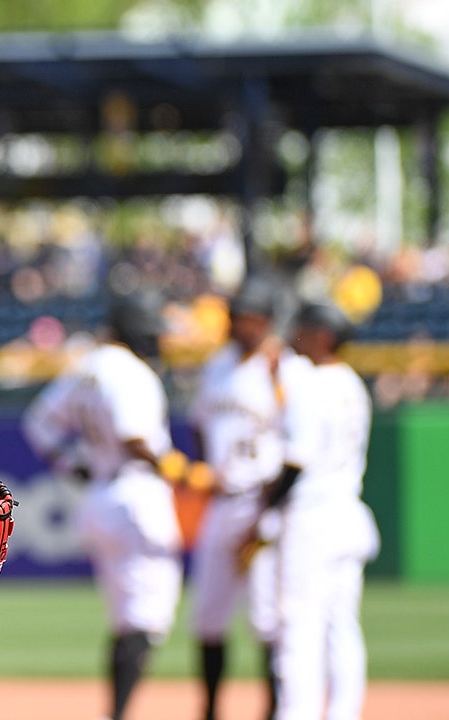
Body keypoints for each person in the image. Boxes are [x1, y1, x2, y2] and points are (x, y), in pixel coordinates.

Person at [21, 291, 185, 720]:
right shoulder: (131, 371)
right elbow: (135, 436)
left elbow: (39, 424)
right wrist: (176, 468)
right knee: (147, 620)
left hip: (100, 495)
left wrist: (72, 466)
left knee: (126, 620)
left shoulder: (87, 366)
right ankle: (118, 714)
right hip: (136, 496)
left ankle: (117, 710)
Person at [244, 302, 380, 720]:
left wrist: (265, 506)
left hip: (313, 518)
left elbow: (295, 462)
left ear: (324, 335)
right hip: (348, 511)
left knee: (298, 626)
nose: (296, 335)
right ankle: (344, 713)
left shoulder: (313, 385)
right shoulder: (352, 384)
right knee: (342, 626)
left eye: (304, 328)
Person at [186, 277, 290, 720]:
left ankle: (273, 712)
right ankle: (210, 711)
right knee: (207, 616)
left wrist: (272, 508)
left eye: (248, 317)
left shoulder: (280, 368)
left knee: (267, 617)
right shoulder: (217, 366)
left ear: (265, 321)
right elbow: (197, 423)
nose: (239, 323)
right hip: (223, 501)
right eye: (236, 315)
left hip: (264, 503)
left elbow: (297, 441)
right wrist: (210, 467)